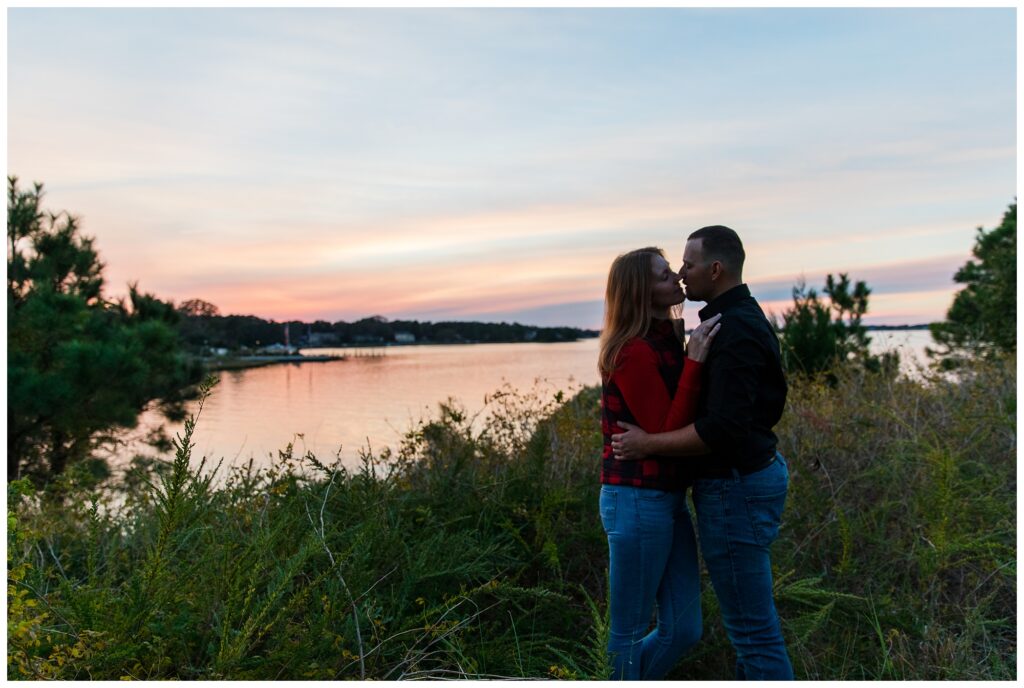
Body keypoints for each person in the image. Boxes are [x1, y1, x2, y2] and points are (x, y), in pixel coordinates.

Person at [611, 226, 793, 680]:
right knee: (724, 630)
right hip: (656, 496)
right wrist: (687, 355)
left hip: (732, 485)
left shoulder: (729, 329)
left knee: (740, 632)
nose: (680, 273)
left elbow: (722, 428)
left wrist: (649, 443)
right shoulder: (693, 333)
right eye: (669, 270)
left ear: (715, 269)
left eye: (686, 265)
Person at [598, 246, 722, 680]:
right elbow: (665, 427)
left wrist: (686, 349)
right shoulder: (631, 351)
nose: (677, 279)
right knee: (628, 632)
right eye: (665, 274)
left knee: (684, 628)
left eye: (673, 271)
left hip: (666, 499)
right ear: (641, 290)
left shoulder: (663, 337)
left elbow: (661, 434)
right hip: (635, 500)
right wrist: (695, 360)